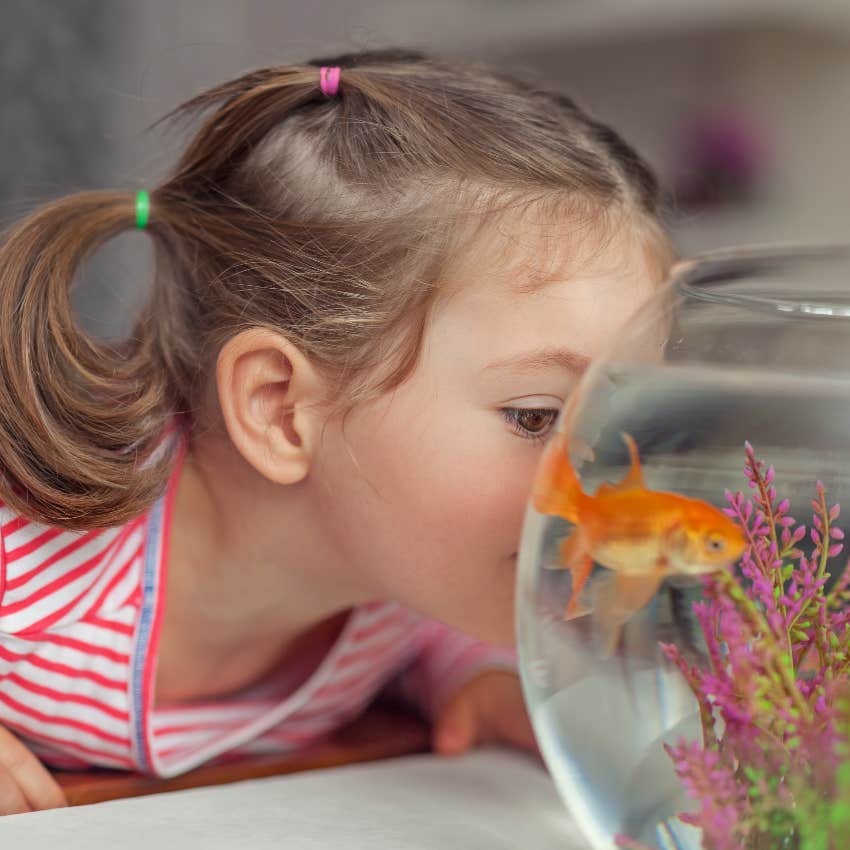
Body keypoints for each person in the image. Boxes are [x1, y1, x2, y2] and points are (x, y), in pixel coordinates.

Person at [0, 49, 672, 813]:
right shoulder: (43, 566)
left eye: (618, 417)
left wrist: (478, 681)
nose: (611, 487)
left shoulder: (388, 582)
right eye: (537, 418)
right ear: (280, 410)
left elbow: (424, 636)